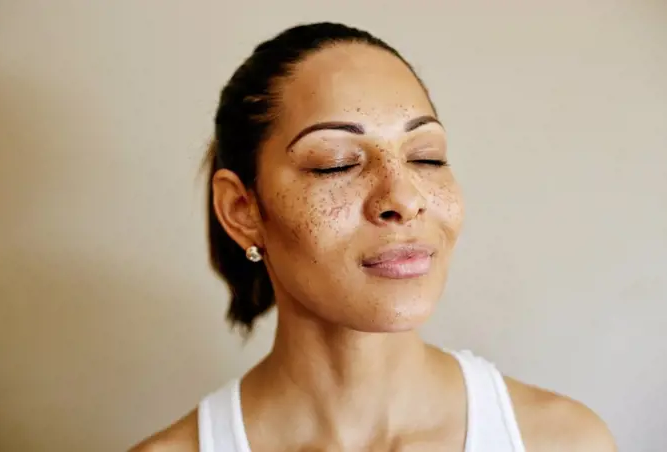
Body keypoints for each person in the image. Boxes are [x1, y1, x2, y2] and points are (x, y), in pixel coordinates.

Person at [131, 22, 616, 452]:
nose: (404, 198)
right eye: (336, 163)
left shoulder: (563, 441)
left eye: (426, 156)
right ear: (242, 211)